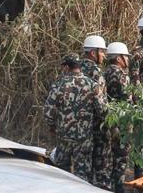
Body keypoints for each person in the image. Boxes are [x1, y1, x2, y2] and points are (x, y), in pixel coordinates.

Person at [44, 55, 104, 183]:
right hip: (84, 137)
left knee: (61, 173)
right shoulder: (93, 85)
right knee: (82, 175)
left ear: (66, 67)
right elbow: (102, 110)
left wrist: (52, 126)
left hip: (63, 137)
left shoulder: (58, 85)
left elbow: (49, 111)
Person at [98, 41, 131, 193]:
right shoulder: (121, 75)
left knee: (108, 156)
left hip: (108, 120)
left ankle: (107, 186)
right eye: (125, 57)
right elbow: (127, 99)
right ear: (119, 58)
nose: (127, 60)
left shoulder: (103, 73)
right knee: (121, 157)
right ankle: (119, 189)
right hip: (121, 121)